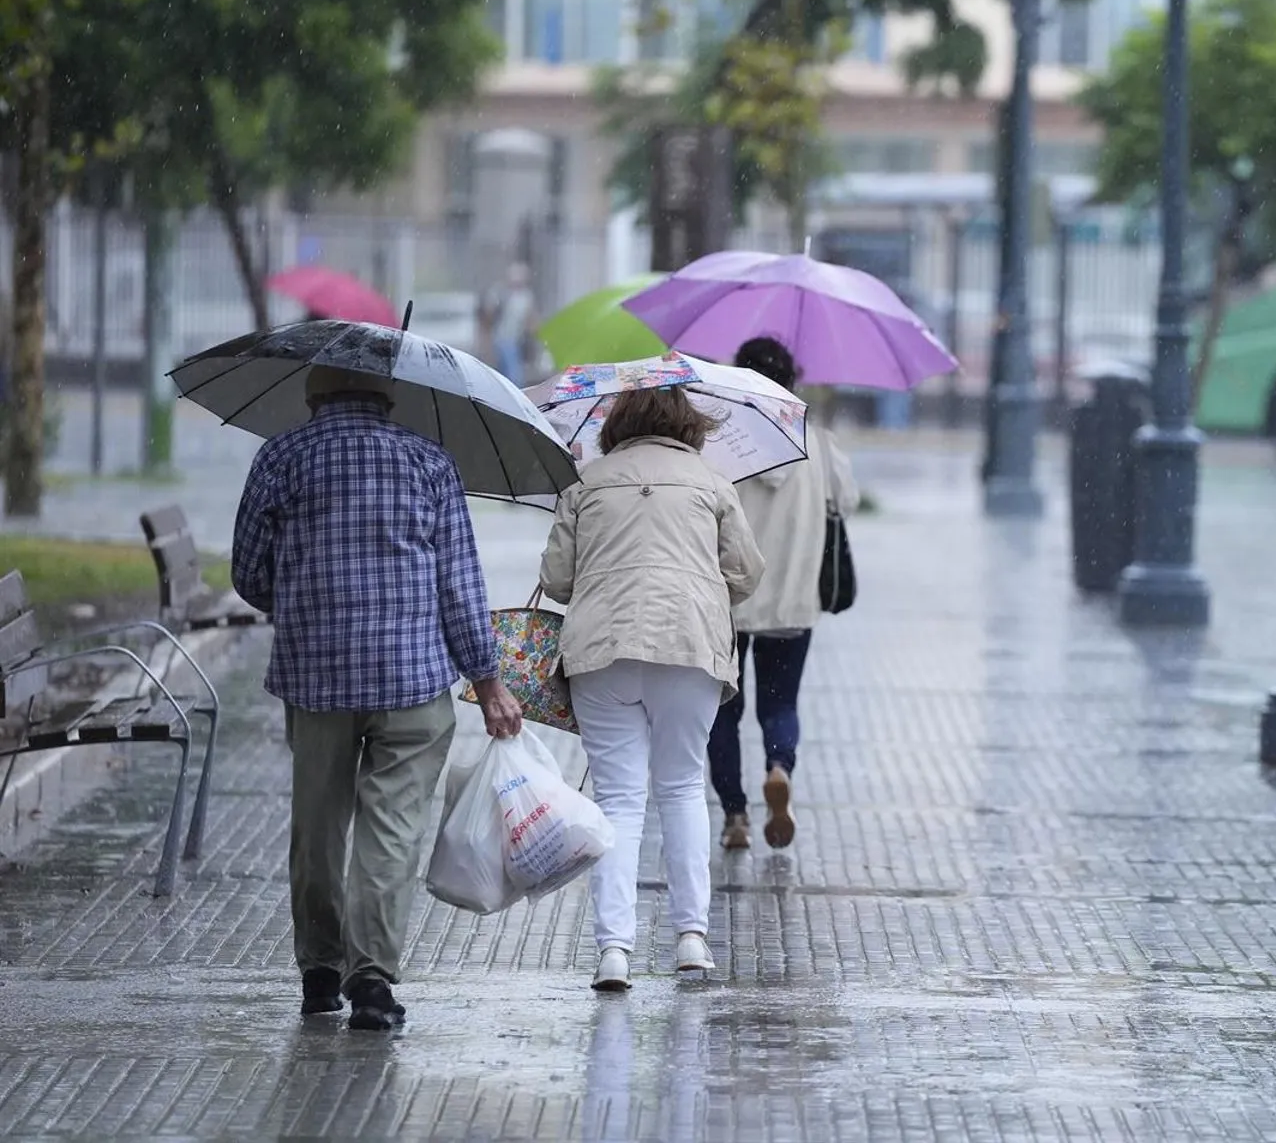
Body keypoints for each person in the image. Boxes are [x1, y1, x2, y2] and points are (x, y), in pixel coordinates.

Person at [230, 365, 524, 1033]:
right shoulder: (429, 462)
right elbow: (459, 588)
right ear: (388, 395)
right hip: (412, 682)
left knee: (317, 829)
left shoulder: (281, 457)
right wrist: (488, 683)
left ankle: (318, 974)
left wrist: (306, 597)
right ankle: (371, 984)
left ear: (313, 392)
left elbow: (248, 571)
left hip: (316, 679)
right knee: (390, 833)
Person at [539, 386, 764, 990]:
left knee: (618, 801)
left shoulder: (585, 484)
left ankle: (614, 949)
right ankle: (692, 938)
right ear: (688, 425)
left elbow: (556, 580)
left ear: (616, 425)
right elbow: (746, 573)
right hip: (688, 646)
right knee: (684, 787)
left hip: (601, 650)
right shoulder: (712, 483)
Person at [709, 337, 859, 853]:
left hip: (725, 601)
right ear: (792, 381)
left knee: (722, 711)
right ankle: (778, 766)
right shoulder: (818, 444)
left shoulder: (723, 445)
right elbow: (849, 501)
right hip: (793, 601)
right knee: (781, 703)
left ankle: (735, 816)